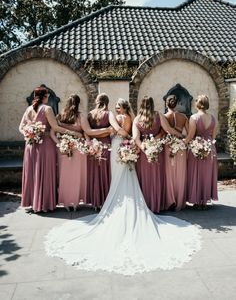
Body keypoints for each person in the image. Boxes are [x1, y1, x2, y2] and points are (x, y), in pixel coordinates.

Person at [45, 98, 201, 275]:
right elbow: (159, 132)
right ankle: (152, 204)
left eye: (118, 107)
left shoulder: (133, 119)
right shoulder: (141, 117)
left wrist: (139, 146)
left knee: (122, 176)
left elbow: (131, 135)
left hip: (122, 146)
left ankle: (119, 199)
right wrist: (150, 143)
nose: (117, 109)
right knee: (138, 177)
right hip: (135, 147)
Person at [19, 86, 79, 213]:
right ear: (44, 97)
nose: (48, 98)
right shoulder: (47, 109)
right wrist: (74, 133)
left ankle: (33, 203)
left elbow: (21, 127)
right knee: (46, 172)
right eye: (47, 96)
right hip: (45, 145)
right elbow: (56, 128)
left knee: (33, 173)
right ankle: (44, 204)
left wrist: (30, 132)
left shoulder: (29, 109)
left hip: (31, 145)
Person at [51, 94, 113, 211]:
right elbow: (88, 131)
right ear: (78, 103)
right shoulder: (80, 116)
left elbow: (52, 133)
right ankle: (74, 203)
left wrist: (59, 144)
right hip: (78, 148)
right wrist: (107, 130)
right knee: (77, 176)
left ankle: (65, 202)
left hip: (63, 149)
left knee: (64, 176)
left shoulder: (59, 116)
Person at [133, 96, 183, 213]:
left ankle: (146, 205)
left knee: (145, 177)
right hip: (157, 149)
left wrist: (144, 148)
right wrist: (180, 135)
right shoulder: (158, 115)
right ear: (152, 104)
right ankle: (157, 205)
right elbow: (169, 130)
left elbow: (135, 138)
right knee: (157, 176)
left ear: (141, 105)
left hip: (145, 152)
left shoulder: (137, 119)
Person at [86, 93, 126, 209]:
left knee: (94, 173)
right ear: (107, 103)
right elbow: (115, 129)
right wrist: (128, 137)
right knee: (105, 172)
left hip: (93, 146)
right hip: (105, 146)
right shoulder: (109, 114)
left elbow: (87, 132)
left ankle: (95, 202)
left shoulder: (90, 114)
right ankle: (105, 201)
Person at [185, 95, 218, 209]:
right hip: (209, 148)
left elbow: (190, 136)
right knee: (206, 174)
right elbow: (213, 136)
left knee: (196, 173)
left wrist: (183, 143)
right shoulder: (213, 118)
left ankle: (197, 200)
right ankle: (204, 201)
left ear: (198, 104)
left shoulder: (194, 118)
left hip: (197, 147)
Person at [163, 95, 189, 211]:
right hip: (180, 146)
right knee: (180, 173)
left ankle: (169, 201)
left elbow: (162, 133)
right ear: (177, 103)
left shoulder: (164, 117)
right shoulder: (183, 117)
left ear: (166, 104)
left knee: (169, 174)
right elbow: (189, 134)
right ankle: (179, 201)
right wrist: (183, 138)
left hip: (168, 145)